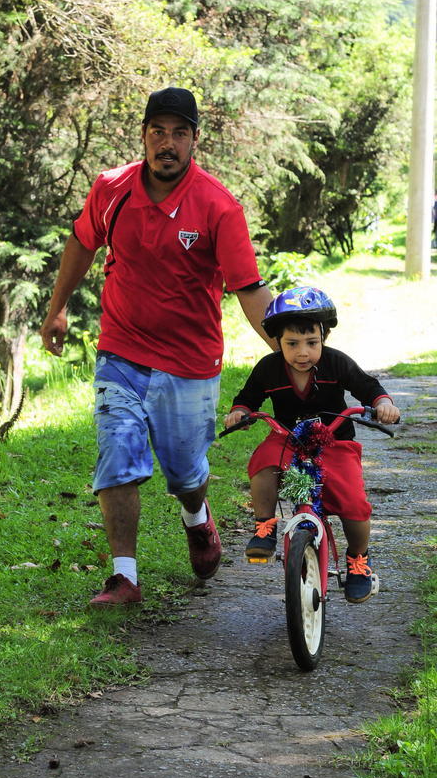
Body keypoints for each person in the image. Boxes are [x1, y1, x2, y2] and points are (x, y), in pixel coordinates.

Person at [40, 86, 274, 607]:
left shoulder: (217, 206)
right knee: (117, 455)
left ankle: (198, 517)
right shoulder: (112, 188)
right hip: (121, 350)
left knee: (185, 472)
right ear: (143, 135)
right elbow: (82, 240)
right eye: (158, 132)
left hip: (190, 364)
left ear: (194, 141)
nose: (167, 143)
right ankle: (124, 577)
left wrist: (288, 348)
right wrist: (57, 308)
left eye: (179, 134)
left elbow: (249, 289)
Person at [223, 286, 400, 604]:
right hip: (287, 437)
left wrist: (383, 402)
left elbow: (367, 386)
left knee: (354, 503)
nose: (302, 352)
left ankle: (358, 559)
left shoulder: (336, 363)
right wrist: (240, 412)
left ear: (324, 337)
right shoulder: (269, 368)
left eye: (311, 343)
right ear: (278, 341)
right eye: (292, 344)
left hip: (334, 440)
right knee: (263, 463)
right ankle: (265, 525)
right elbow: (248, 398)